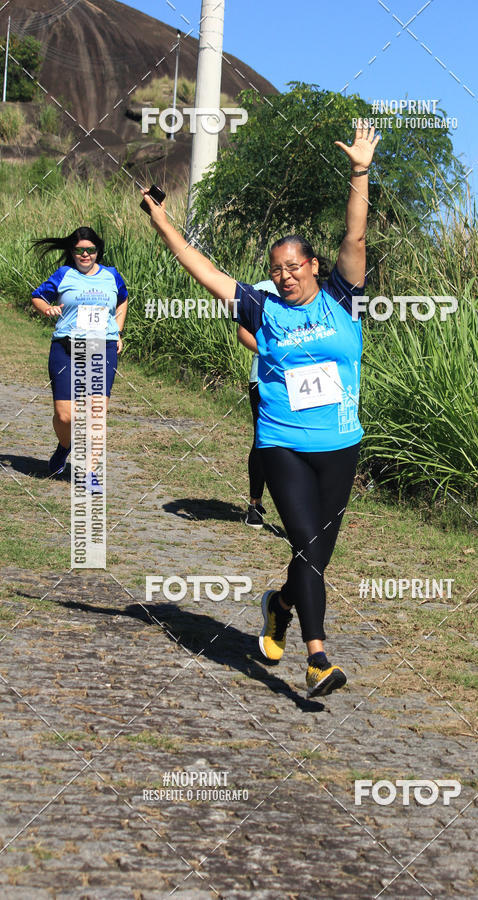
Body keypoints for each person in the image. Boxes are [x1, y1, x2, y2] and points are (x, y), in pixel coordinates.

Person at [141, 122, 379, 698]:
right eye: (276, 268)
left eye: (295, 265)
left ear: (315, 266)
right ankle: (318, 658)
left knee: (317, 552)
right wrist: (161, 221)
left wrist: (360, 171)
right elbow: (200, 268)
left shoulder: (344, 297)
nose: (285, 274)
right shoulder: (260, 306)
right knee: (306, 547)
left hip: (341, 444)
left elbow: (356, 236)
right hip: (283, 443)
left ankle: (279, 604)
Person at [30, 227, 128, 482]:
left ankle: (90, 471)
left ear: (98, 251)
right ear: (72, 252)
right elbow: (37, 296)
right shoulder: (64, 275)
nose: (85, 254)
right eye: (79, 250)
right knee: (65, 415)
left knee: (96, 412)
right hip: (66, 346)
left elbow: (123, 300)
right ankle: (65, 447)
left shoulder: (111, 276)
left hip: (100, 346)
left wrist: (117, 331)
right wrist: (47, 309)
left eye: (91, 250)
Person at [237, 278, 277, 528]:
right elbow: (243, 332)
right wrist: (274, 354)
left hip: (303, 381)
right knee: (263, 440)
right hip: (263, 379)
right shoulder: (262, 290)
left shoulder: (314, 292)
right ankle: (254, 505)